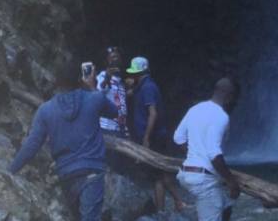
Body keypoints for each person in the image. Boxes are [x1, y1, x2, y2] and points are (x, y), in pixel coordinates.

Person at [8, 62, 118, 221]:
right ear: (79, 78)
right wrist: (92, 86)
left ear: (56, 81)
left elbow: (31, 146)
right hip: (92, 169)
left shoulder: (45, 110)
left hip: (67, 174)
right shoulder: (95, 98)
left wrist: (10, 169)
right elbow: (114, 112)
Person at [174, 78, 241, 221]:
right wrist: (231, 181)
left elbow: (178, 137)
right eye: (236, 99)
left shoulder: (195, 109)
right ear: (229, 97)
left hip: (186, 174)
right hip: (204, 181)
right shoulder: (221, 116)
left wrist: (195, 157)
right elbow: (214, 152)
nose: (236, 104)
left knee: (226, 205)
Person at [127, 56, 185, 213]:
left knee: (161, 171)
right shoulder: (143, 87)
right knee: (157, 176)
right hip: (154, 137)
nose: (131, 76)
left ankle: (179, 201)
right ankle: (161, 211)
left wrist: (146, 138)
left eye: (134, 73)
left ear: (140, 73)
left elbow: (153, 113)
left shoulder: (148, 88)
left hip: (154, 138)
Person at [96, 46, 128, 137]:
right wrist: (107, 79)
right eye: (113, 57)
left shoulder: (120, 81)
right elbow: (97, 93)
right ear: (107, 61)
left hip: (120, 127)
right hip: (106, 127)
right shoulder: (101, 77)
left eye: (118, 57)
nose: (116, 60)